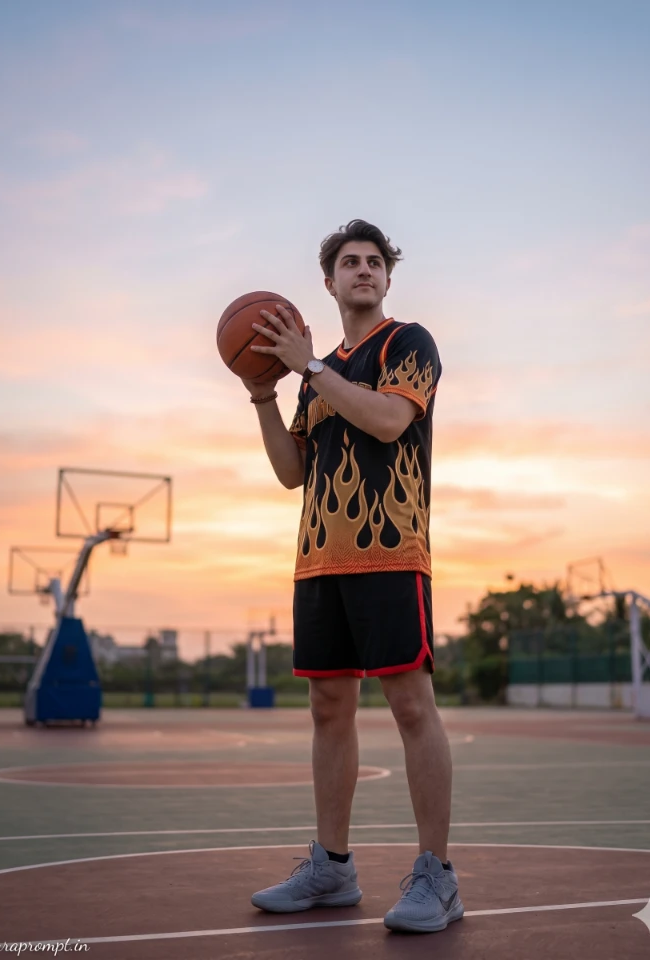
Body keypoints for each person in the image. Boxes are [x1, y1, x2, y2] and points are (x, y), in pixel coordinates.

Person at [240, 219, 462, 933]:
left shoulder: (406, 343)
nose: (362, 270)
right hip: (318, 557)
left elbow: (391, 422)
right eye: (348, 262)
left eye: (373, 262)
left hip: (391, 549)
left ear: (387, 279)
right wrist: (261, 394)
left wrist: (310, 369)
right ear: (329, 282)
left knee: (410, 706)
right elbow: (291, 473)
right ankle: (332, 868)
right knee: (328, 711)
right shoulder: (316, 371)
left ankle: (438, 877)